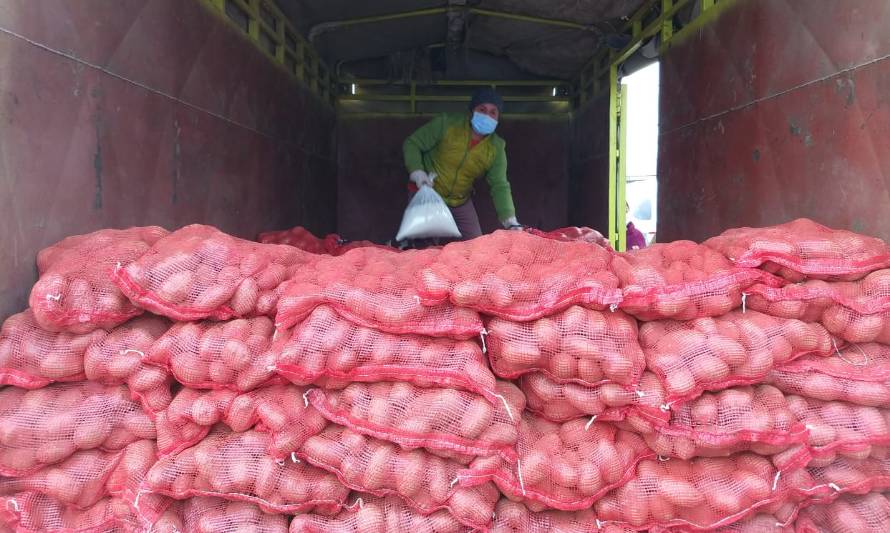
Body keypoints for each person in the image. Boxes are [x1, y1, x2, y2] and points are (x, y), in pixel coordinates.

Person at [402, 87, 520, 240]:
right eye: (482, 109)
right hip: (428, 193)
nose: (487, 116)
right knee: (420, 245)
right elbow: (412, 143)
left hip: (460, 201)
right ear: (472, 111)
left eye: (493, 112)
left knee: (476, 245)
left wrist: (509, 219)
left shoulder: (496, 147)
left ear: (498, 118)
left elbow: (499, 185)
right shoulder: (447, 124)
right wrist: (417, 173)